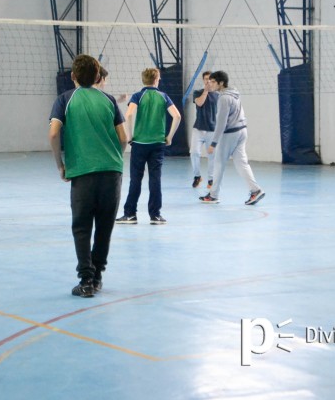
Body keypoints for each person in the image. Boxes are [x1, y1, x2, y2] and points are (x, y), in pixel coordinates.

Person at [50, 54, 127, 297]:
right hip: (111, 171)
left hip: (82, 172)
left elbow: (53, 134)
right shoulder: (108, 100)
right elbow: (124, 138)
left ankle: (85, 280)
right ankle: (97, 277)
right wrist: (113, 156)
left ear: (72, 76)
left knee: (82, 227)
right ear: (97, 77)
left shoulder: (65, 100)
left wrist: (60, 165)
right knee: (104, 227)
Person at [116, 67, 181, 225]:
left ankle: (130, 214)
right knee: (155, 179)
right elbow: (177, 116)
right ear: (157, 79)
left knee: (135, 180)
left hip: (139, 144)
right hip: (158, 144)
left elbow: (129, 114)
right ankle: (155, 215)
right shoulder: (163, 96)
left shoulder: (138, 95)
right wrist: (169, 137)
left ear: (143, 80)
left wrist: (130, 135)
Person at [199, 71, 265, 205]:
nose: (209, 84)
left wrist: (213, 143)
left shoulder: (223, 98)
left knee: (218, 164)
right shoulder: (234, 93)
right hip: (242, 131)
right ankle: (255, 190)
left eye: (212, 82)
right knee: (242, 163)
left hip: (230, 134)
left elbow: (221, 123)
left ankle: (213, 195)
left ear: (221, 83)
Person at [190, 71, 218, 189]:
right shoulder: (198, 92)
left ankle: (211, 179)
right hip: (198, 128)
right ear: (203, 80)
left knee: (212, 156)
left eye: (211, 80)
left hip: (212, 130)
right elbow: (200, 103)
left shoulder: (218, 95)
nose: (208, 81)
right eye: (206, 79)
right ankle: (197, 176)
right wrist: (206, 91)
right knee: (194, 152)